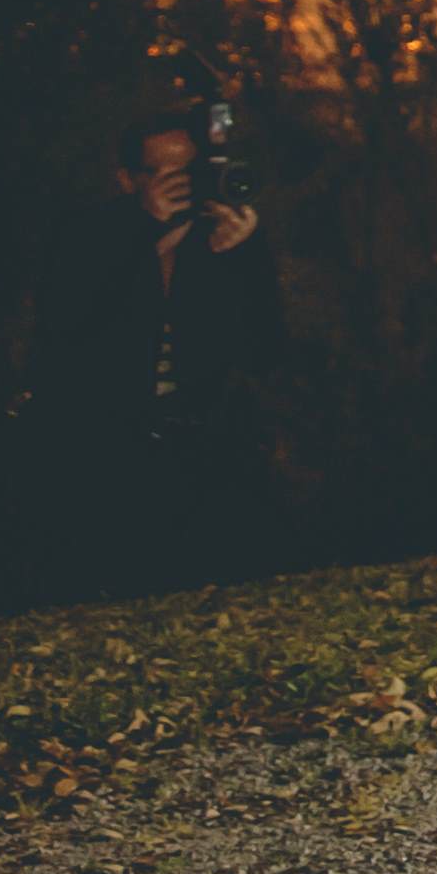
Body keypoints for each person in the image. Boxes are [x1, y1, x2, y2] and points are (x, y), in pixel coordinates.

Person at [24, 101, 281, 601]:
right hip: (105, 453)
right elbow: (65, 334)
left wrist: (245, 259)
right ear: (127, 178)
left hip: (202, 449)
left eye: (190, 170)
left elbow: (265, 349)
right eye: (164, 173)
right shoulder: (89, 236)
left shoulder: (221, 235)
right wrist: (141, 231)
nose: (182, 184)